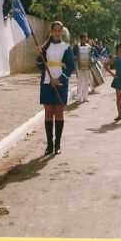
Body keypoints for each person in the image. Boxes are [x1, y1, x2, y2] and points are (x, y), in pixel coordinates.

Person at [37, 21, 75, 155]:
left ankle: (57, 145)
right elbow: (40, 65)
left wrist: (59, 79)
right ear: (51, 31)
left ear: (61, 32)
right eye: (55, 30)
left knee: (59, 112)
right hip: (47, 83)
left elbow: (70, 67)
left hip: (60, 83)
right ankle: (49, 145)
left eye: (60, 30)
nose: (57, 32)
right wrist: (39, 57)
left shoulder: (66, 47)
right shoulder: (44, 47)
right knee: (48, 113)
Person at [72, 33, 93, 103]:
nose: (85, 39)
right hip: (79, 66)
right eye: (83, 38)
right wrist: (76, 62)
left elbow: (90, 56)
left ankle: (85, 97)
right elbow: (73, 56)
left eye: (86, 38)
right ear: (81, 39)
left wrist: (90, 63)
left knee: (86, 82)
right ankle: (79, 98)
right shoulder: (76, 47)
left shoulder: (89, 47)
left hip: (87, 66)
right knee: (80, 82)